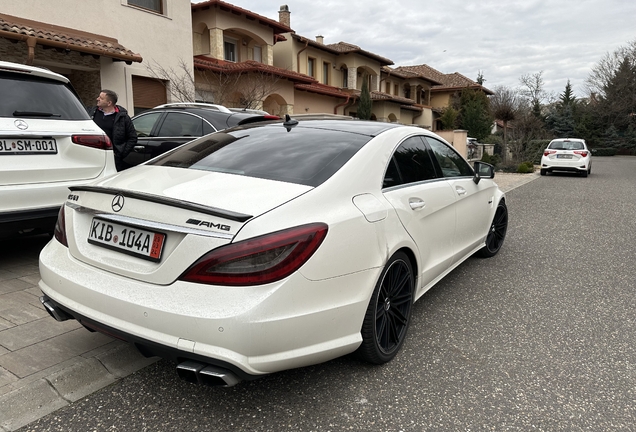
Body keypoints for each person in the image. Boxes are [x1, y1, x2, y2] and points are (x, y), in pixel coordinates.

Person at [88, 89, 137, 171]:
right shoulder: (91, 113)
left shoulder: (123, 118)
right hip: (92, 156)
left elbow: (132, 137)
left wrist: (120, 154)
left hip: (112, 159)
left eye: (101, 98)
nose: (97, 99)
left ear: (109, 103)